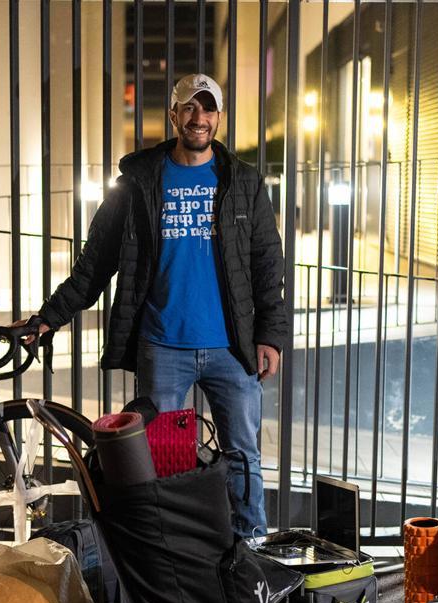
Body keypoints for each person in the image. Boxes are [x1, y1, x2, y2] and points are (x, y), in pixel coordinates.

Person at [18, 73, 288, 536]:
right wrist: (49, 317)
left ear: (219, 117)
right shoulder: (138, 183)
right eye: (189, 107)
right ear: (173, 115)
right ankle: (175, 552)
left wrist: (270, 336)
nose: (199, 117)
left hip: (233, 347)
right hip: (162, 346)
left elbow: (267, 264)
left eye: (208, 108)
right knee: (162, 461)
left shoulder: (244, 182)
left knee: (244, 457)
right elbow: (95, 262)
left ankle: (252, 549)